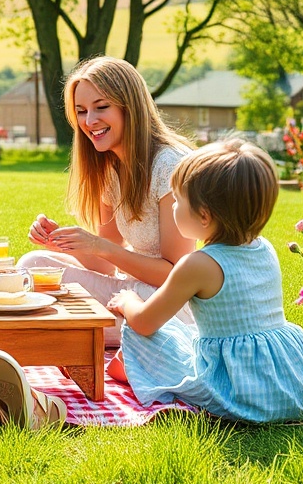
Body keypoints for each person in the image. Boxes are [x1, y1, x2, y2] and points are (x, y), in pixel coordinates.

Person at [105, 139, 303, 422]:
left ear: (204, 216)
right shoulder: (264, 248)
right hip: (290, 378)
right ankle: (135, 366)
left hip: (234, 386)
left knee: (145, 340)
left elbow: (144, 322)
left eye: (177, 199)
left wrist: (129, 301)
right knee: (184, 335)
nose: (173, 206)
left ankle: (133, 368)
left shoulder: (198, 264)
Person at [18, 56, 195, 344]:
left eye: (101, 108)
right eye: (81, 111)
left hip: (167, 308)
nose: (90, 121)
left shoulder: (169, 165)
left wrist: (99, 246)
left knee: (34, 291)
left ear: (131, 107)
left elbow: (179, 276)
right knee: (33, 263)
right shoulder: (111, 167)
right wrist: (61, 242)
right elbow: (105, 264)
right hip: (130, 292)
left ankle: (42, 349)